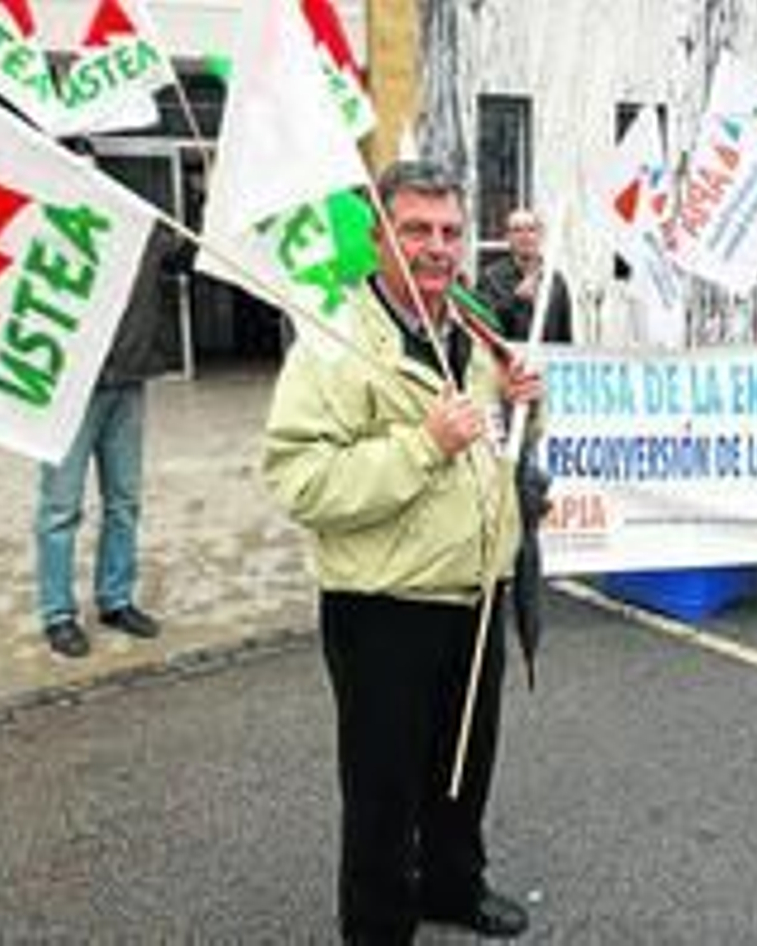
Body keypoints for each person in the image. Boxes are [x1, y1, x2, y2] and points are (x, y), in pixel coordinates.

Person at [263, 160, 541, 941]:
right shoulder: (331, 341)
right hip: (384, 608)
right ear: (381, 235)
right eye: (416, 229)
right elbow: (300, 480)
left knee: (464, 767)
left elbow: (497, 453)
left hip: (475, 591)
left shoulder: (473, 326)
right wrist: (423, 445)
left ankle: (454, 886)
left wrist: (528, 410)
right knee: (384, 789)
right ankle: (379, 925)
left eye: (451, 231)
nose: (437, 247)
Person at [34, 224, 180, 659]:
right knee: (60, 508)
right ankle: (58, 615)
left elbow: (187, 252)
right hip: (69, 392)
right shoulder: (49, 229)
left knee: (124, 501)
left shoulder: (139, 225)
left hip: (128, 382)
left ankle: (115, 600)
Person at [475, 207, 573, 344]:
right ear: (507, 237)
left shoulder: (556, 281)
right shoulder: (490, 278)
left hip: (546, 362)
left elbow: (565, 337)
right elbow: (483, 329)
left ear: (541, 235)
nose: (525, 236)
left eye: (531, 229)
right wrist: (516, 300)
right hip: (507, 362)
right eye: (517, 230)